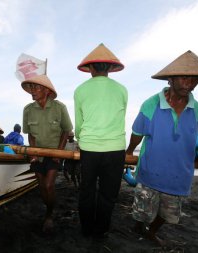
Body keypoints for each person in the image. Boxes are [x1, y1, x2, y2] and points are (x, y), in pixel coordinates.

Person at [125, 50, 198, 246]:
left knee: (167, 215)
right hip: (150, 172)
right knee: (143, 211)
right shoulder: (151, 104)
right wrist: (129, 152)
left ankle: (151, 231)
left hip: (179, 175)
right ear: (170, 79)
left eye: (194, 79)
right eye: (184, 77)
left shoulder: (197, 108)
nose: (189, 83)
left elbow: (190, 138)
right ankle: (140, 226)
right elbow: (137, 132)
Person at [74, 43, 128, 238]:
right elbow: (119, 117)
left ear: (90, 68)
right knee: (108, 193)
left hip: (89, 148)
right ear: (110, 68)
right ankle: (101, 230)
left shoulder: (80, 90)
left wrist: (81, 138)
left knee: (87, 191)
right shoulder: (122, 89)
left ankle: (87, 229)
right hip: (115, 149)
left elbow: (79, 123)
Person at [22, 74, 73, 233]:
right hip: (37, 154)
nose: (32, 90)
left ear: (46, 90)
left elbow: (66, 130)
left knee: (49, 185)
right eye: (31, 87)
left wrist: (58, 152)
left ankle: (49, 215)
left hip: (54, 154)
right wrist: (33, 153)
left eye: (36, 87)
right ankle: (49, 207)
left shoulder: (59, 108)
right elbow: (30, 133)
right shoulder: (28, 110)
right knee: (41, 186)